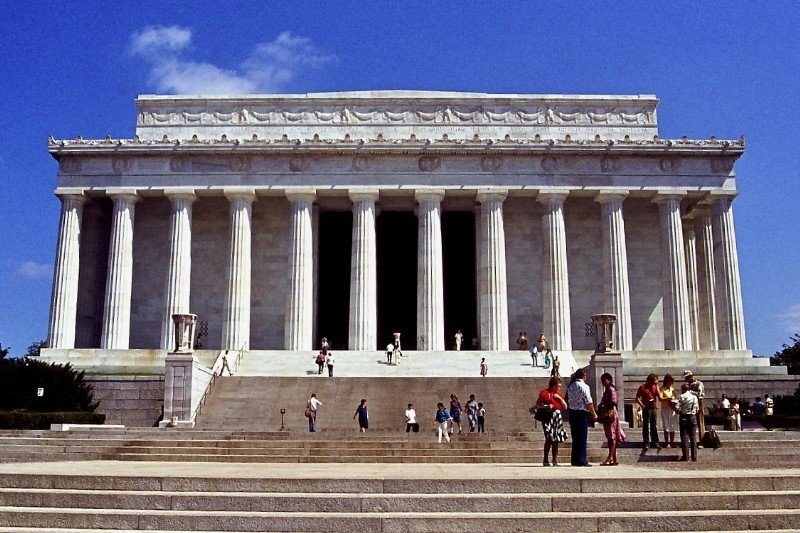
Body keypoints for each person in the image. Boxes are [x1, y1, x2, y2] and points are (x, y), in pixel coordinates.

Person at [566, 369, 597, 467]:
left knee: (575, 437)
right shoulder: (584, 386)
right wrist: (594, 414)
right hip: (581, 413)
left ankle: (574, 459)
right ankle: (581, 459)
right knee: (582, 437)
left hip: (572, 412)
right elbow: (588, 402)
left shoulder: (571, 386)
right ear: (583, 376)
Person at [536, 376, 569, 466]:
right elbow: (538, 405)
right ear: (553, 385)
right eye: (558, 386)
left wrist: (559, 399)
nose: (559, 388)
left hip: (557, 417)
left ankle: (555, 460)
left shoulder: (558, 394)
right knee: (549, 438)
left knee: (556, 439)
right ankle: (545, 459)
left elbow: (565, 407)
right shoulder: (544, 393)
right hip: (548, 417)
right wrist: (546, 406)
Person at [598, 372, 627, 466]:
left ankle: (610, 457)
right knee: (610, 436)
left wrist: (604, 403)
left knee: (611, 436)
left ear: (609, 380)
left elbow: (613, 402)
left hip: (610, 413)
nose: (602, 382)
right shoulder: (607, 389)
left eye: (604, 380)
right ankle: (614, 458)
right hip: (608, 412)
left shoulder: (611, 389)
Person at [674, 383, 699, 461]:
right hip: (693, 417)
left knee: (684, 436)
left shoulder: (682, 396)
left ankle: (686, 456)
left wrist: (679, 411)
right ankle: (694, 457)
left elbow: (677, 407)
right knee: (693, 437)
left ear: (683, 389)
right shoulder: (695, 397)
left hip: (684, 417)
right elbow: (697, 409)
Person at [636, 373, 661, 451]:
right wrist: (642, 406)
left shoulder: (654, 387)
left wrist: (656, 386)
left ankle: (655, 442)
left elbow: (659, 396)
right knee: (646, 426)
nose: (654, 382)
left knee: (654, 425)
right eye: (653, 381)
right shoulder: (642, 387)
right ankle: (646, 443)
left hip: (653, 407)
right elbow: (637, 398)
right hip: (646, 407)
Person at [684, 370, 706, 436]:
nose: (685, 379)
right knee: (690, 423)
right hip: (690, 405)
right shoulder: (687, 385)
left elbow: (700, 394)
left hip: (698, 403)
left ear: (691, 376)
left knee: (700, 422)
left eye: (687, 377)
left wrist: (690, 392)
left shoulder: (699, 383)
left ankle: (702, 441)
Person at [659, 374, 677, 448]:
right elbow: (660, 398)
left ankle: (672, 442)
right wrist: (667, 399)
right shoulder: (662, 389)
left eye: (671, 381)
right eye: (669, 381)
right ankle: (666, 442)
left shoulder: (672, 389)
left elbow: (676, 398)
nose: (670, 383)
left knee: (672, 425)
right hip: (665, 409)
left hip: (672, 409)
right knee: (666, 425)